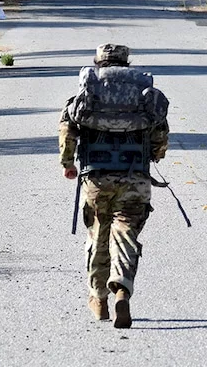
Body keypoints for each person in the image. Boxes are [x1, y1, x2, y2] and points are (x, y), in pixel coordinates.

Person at [59, 44, 170, 329]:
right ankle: (121, 286)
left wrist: (68, 163)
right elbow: (160, 133)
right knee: (125, 234)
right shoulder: (144, 95)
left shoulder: (89, 92)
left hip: (97, 178)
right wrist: (155, 154)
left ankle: (98, 299)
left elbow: (68, 126)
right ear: (127, 63)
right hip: (135, 179)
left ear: (98, 63)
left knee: (98, 236)